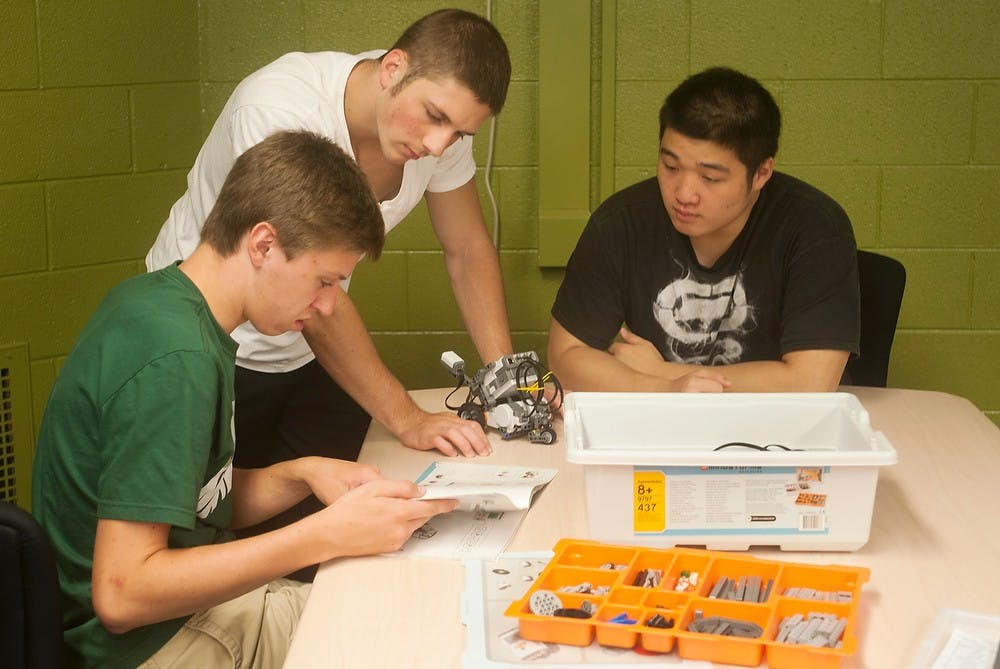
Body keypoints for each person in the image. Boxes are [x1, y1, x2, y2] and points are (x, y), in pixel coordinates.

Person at [31, 130, 459, 669]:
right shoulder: (176, 357)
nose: (328, 306)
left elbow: (193, 502)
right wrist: (323, 536)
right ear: (262, 244)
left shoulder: (167, 305)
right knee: (405, 631)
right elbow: (122, 595)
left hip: (180, 618)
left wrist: (300, 474)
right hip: (147, 646)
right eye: (324, 280)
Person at [146, 8, 513, 473]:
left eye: (459, 132)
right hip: (212, 344)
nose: (439, 145)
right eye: (435, 116)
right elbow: (298, 273)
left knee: (338, 502)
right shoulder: (278, 110)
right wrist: (407, 418)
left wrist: (507, 382)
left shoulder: (436, 133)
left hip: (306, 331)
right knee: (215, 521)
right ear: (393, 68)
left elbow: (466, 249)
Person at [548, 67, 859, 393]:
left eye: (710, 178)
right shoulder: (621, 223)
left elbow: (809, 383)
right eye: (670, 166)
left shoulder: (815, 227)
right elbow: (565, 356)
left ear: (761, 173)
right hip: (664, 426)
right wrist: (664, 389)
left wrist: (665, 372)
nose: (683, 193)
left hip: (781, 432)